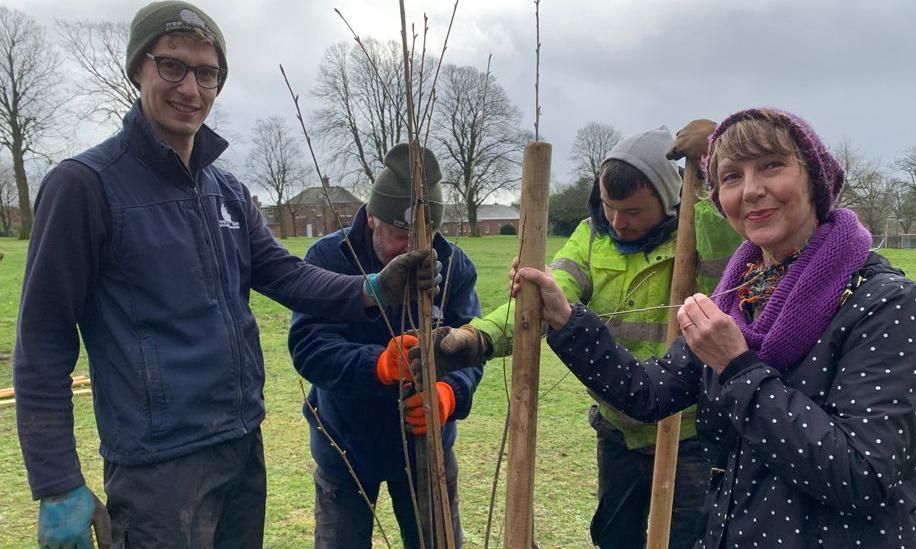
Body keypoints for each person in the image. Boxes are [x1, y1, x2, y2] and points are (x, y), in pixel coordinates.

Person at [14, 3, 438, 548]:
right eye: (172, 66)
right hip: (157, 468)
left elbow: (286, 276)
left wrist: (373, 288)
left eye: (207, 73)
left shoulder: (227, 192)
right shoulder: (85, 187)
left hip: (241, 447)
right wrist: (56, 482)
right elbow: (43, 340)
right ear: (138, 68)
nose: (190, 88)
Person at [518, 108, 916, 548]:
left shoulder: (887, 304)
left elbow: (864, 475)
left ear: (814, 177)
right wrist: (567, 319)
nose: (752, 190)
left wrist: (737, 366)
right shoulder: (741, 296)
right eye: (732, 177)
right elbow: (646, 392)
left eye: (772, 166)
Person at [430, 127, 741, 548]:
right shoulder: (591, 237)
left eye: (633, 211)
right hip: (619, 429)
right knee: (614, 538)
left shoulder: (699, 226)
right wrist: (474, 340)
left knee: (688, 540)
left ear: (670, 202)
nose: (618, 221)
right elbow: (544, 297)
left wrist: (711, 159)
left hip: (687, 433)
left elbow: (729, 238)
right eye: (611, 207)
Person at [289, 143, 483, 549]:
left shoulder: (455, 266)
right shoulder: (328, 257)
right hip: (346, 446)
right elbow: (310, 346)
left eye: (426, 233)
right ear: (371, 216)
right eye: (401, 234)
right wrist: (379, 365)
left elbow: (471, 348)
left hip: (428, 449)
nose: (414, 248)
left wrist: (450, 394)